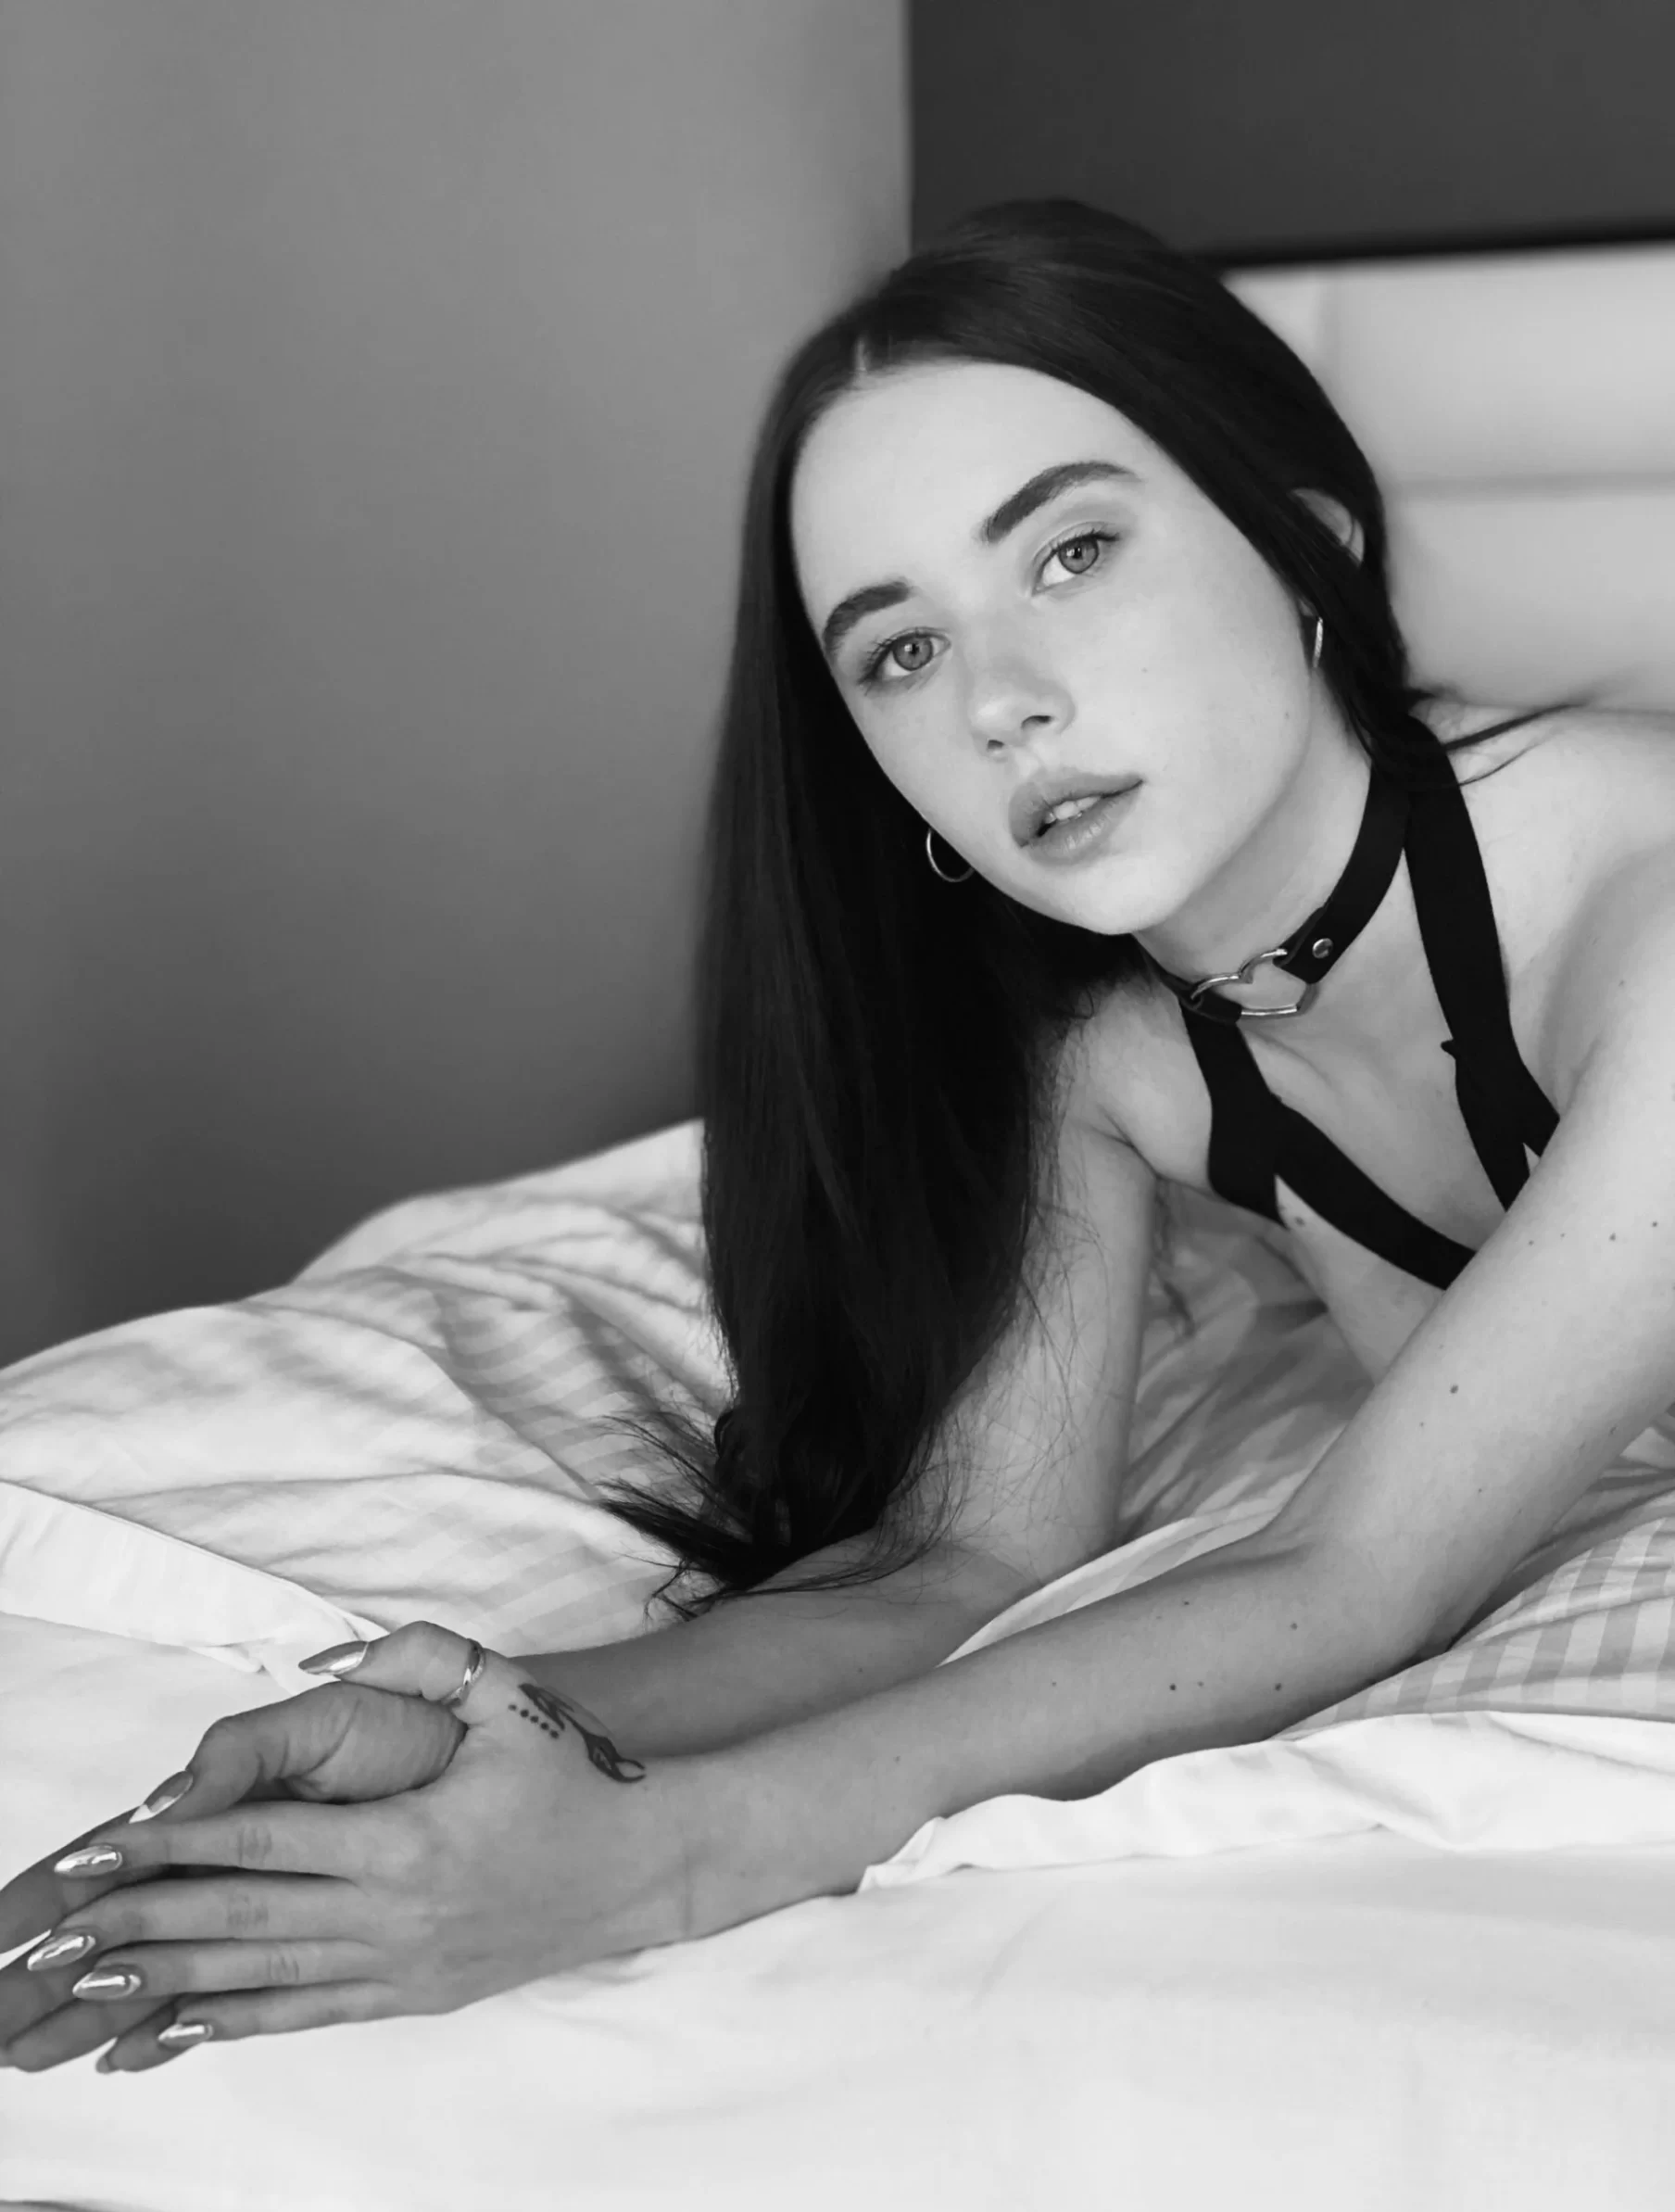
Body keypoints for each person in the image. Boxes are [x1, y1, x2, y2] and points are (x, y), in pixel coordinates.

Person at [6, 196, 1675, 2079]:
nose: (1000, 702)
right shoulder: (1108, 1050)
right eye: (898, 651)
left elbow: (1356, 1577)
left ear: (1307, 544)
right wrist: (490, 1712)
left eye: (1071, 553)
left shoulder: (1648, 911)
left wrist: (663, 1859)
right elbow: (964, 1561)